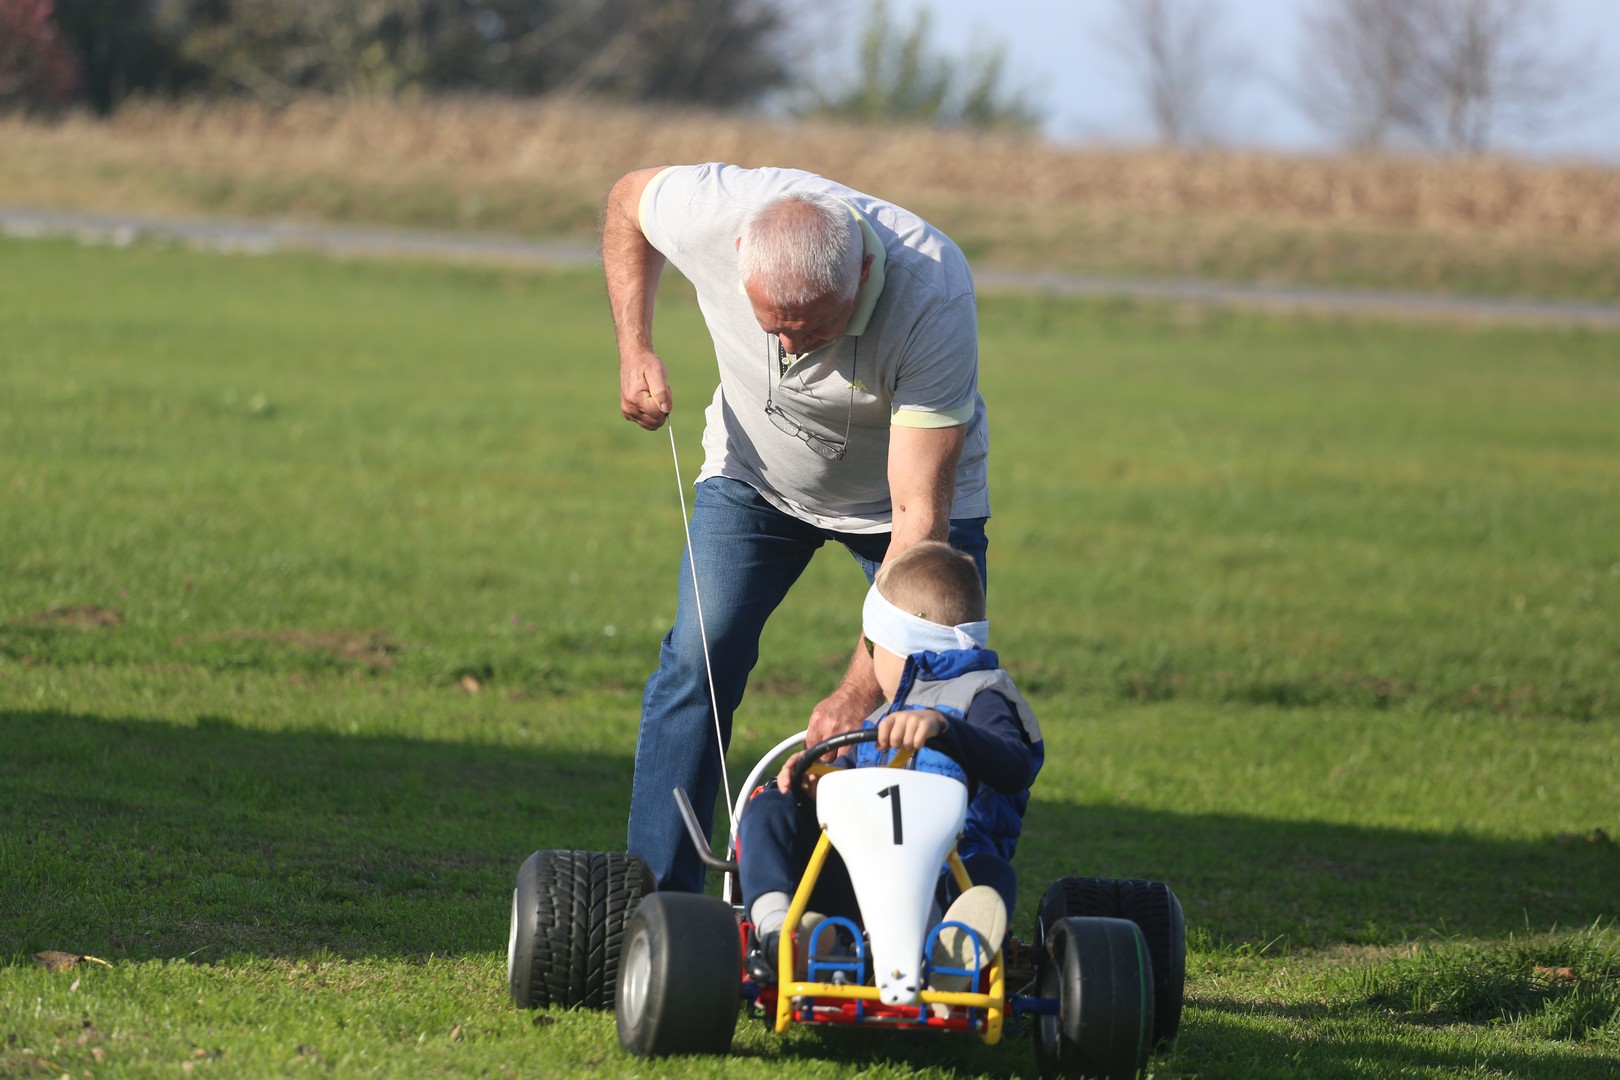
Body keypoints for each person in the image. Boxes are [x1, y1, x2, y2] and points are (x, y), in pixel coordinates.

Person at [601, 163, 992, 892]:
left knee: (937, 689)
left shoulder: (932, 291)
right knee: (699, 657)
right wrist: (635, 344)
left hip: (903, 505)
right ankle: (659, 901)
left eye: (811, 330)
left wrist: (858, 687)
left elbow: (918, 520)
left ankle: (937, 907)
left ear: (863, 276)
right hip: (755, 479)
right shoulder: (716, 214)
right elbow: (628, 200)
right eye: (771, 326)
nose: (786, 350)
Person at [734, 541, 1044, 984]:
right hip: (858, 877)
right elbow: (848, 784)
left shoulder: (984, 697)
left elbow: (1014, 765)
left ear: (904, 648)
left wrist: (944, 727)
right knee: (770, 802)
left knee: (988, 875)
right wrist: (815, 781)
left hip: (946, 874)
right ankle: (782, 933)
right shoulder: (880, 719)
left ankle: (952, 951)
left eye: (873, 645)